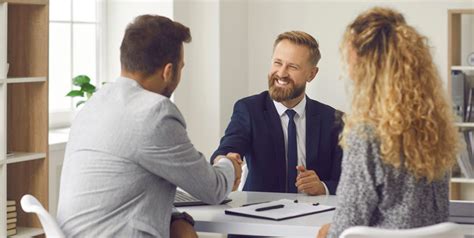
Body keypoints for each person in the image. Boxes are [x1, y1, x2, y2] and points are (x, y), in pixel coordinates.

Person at [56, 15, 242, 238]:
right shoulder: (155, 113)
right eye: (181, 68)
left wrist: (177, 219)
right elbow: (214, 189)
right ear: (168, 71)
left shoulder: (95, 103)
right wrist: (229, 164)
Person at [317, 7, 460, 238]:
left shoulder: (366, 134)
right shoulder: (435, 129)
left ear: (368, 67)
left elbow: (345, 228)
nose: (348, 73)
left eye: (350, 61)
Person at [212, 31, 343, 195]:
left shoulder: (333, 120)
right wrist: (227, 162)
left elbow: (349, 183)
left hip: (314, 216)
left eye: (293, 67)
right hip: (260, 215)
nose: (281, 73)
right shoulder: (249, 110)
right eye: (277, 63)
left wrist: (322, 187)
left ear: (311, 74)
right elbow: (226, 150)